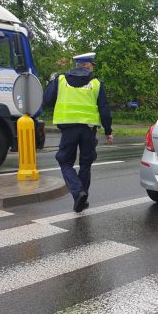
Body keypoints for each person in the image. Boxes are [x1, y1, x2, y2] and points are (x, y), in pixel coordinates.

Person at [41, 52, 113, 212]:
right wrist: (108, 131)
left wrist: (51, 81)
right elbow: (104, 109)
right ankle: (82, 196)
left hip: (68, 129)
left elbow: (47, 100)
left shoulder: (60, 80)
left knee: (65, 161)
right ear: (89, 65)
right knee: (85, 164)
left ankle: (78, 192)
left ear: (78, 65)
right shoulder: (96, 83)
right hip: (88, 130)